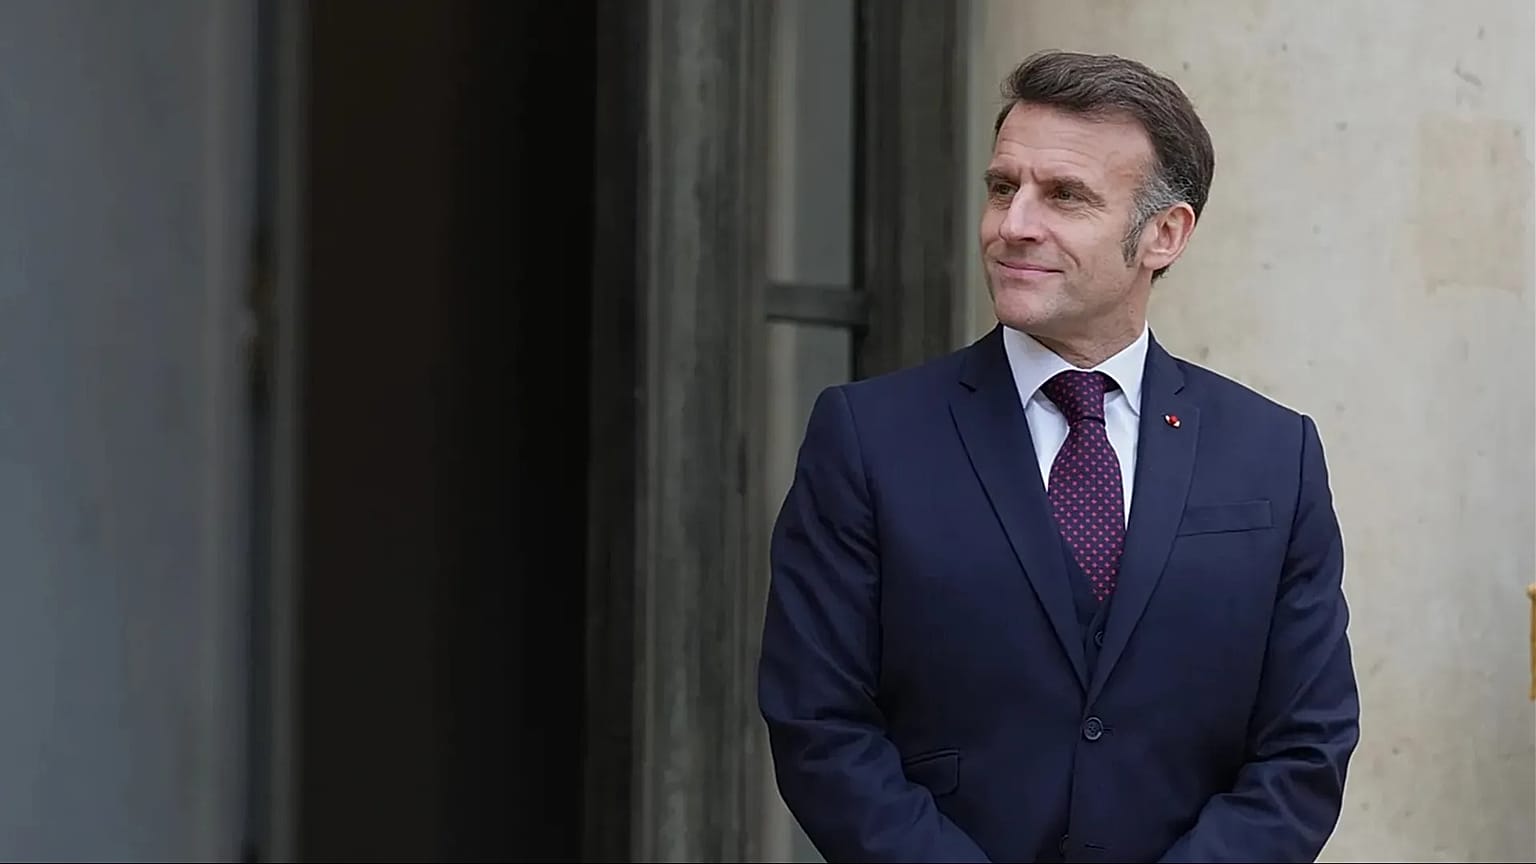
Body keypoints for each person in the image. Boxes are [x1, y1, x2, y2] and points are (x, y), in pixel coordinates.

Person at [757, 50, 1360, 863]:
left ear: (1164, 234)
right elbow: (818, 721)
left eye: (1065, 196)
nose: (1013, 225)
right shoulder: (866, 437)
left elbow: (1306, 745)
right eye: (1004, 187)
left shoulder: (1273, 454)